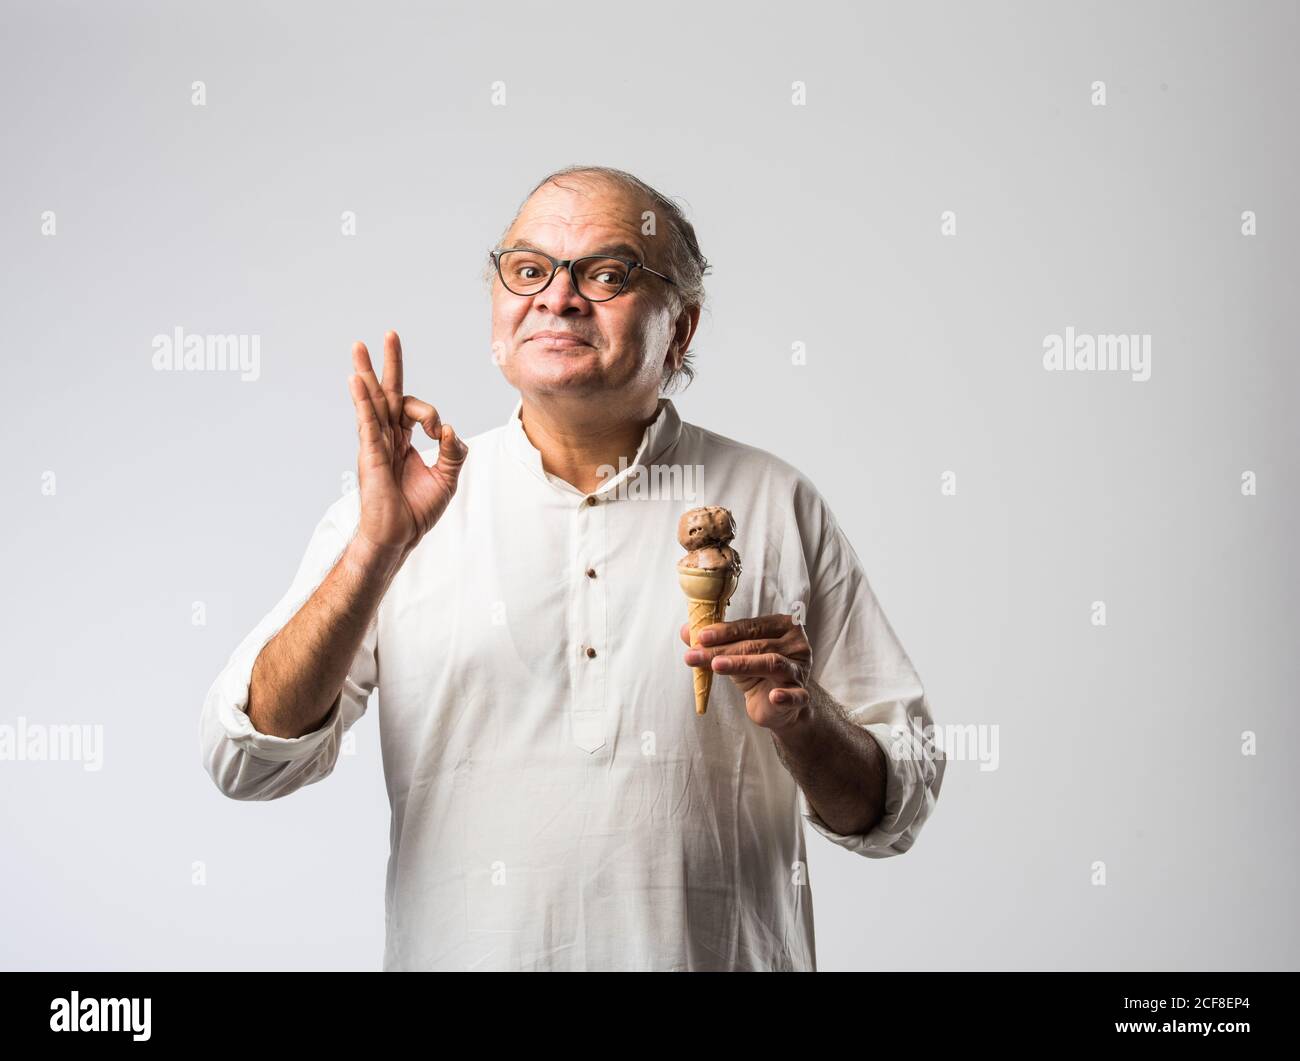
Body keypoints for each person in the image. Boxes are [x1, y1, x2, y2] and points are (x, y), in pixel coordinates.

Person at [200, 165, 944, 971]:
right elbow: (248, 758)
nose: (558, 297)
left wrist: (805, 722)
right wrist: (374, 554)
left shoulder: (775, 500)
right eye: (528, 270)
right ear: (498, 305)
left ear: (681, 328)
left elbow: (894, 806)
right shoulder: (399, 507)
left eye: (606, 273)